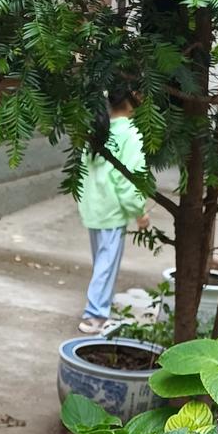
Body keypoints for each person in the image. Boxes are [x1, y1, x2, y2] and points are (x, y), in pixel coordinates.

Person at [77, 87, 150, 334]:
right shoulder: (130, 134)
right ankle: (95, 316)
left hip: (93, 206)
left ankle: (98, 309)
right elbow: (128, 179)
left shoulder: (98, 129)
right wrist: (139, 211)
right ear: (131, 100)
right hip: (112, 210)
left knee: (101, 261)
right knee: (106, 264)